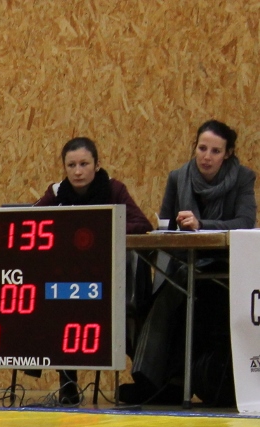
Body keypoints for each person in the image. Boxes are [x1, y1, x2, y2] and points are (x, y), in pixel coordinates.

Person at [120, 120, 257, 405]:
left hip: (224, 265)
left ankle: (161, 381)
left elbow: (245, 222)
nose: (207, 156)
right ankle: (156, 380)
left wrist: (201, 224)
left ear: (228, 153)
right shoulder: (178, 177)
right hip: (183, 261)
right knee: (159, 294)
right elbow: (166, 223)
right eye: (202, 148)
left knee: (181, 294)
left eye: (215, 151)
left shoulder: (243, 178)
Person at [33, 137, 153, 405]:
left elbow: (142, 224)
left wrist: (101, 227)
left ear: (97, 165)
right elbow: (31, 222)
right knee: (54, 307)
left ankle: (144, 379)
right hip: (68, 276)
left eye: (84, 164)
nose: (78, 171)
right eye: (71, 165)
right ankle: (67, 383)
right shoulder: (56, 193)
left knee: (123, 314)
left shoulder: (114, 189)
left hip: (109, 276)